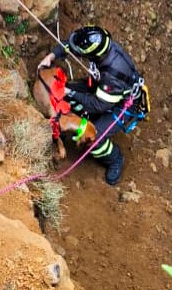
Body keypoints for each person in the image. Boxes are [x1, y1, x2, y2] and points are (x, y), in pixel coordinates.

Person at [38, 25, 143, 185]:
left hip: (122, 106)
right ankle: (80, 120)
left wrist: (70, 93)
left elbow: (98, 105)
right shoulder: (101, 44)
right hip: (102, 91)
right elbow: (73, 44)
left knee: (95, 138)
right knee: (63, 91)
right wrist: (52, 55)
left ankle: (115, 159)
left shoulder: (113, 74)